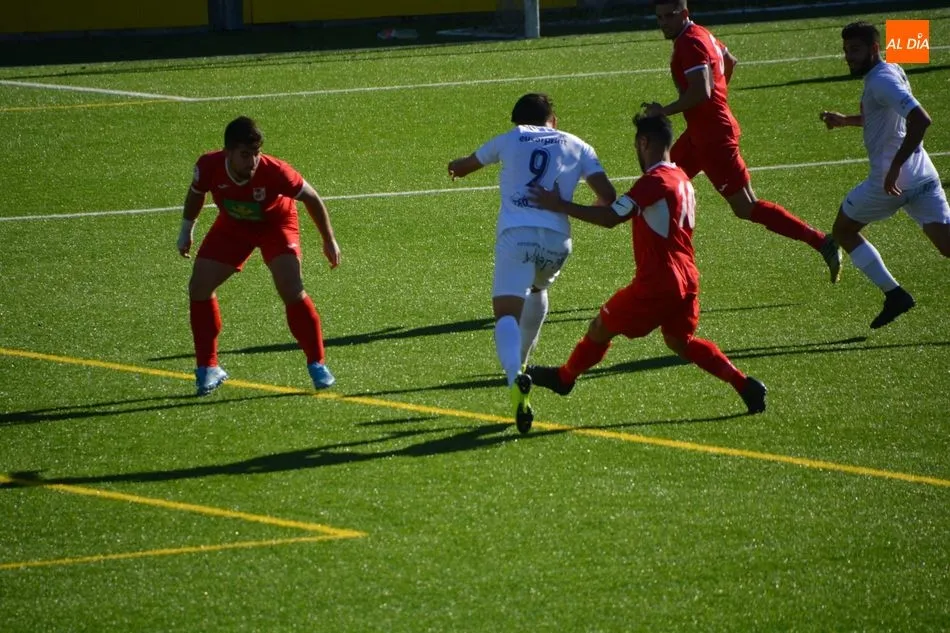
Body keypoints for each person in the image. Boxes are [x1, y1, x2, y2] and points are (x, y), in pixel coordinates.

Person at [526, 113, 767, 416]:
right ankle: (744, 385)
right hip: (687, 277)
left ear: (644, 142)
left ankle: (564, 378)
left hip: (659, 280)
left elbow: (612, 217)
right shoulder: (682, 179)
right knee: (681, 342)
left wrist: (560, 205)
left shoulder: (655, 181)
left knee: (600, 326)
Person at [447, 93, 617, 433]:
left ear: (518, 120)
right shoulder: (578, 145)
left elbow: (465, 166)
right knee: (538, 287)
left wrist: (454, 166)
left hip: (517, 236)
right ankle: (523, 365)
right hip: (557, 241)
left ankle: (514, 379)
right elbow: (608, 198)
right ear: (552, 119)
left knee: (506, 314)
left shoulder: (510, 138)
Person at [644, 0, 842, 283]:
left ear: (684, 13)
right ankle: (663, 267)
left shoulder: (690, 43)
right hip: (702, 132)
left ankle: (821, 241)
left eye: (669, 16)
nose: (663, 22)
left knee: (746, 206)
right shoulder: (700, 34)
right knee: (661, 186)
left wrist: (663, 111)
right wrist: (716, 102)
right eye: (659, 17)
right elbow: (729, 60)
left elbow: (702, 91)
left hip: (714, 139)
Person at [177, 116, 341, 396]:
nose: (252, 161)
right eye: (244, 155)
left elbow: (312, 197)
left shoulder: (276, 171)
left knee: (291, 287)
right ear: (227, 152)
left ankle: (317, 364)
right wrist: (186, 230)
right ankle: (208, 367)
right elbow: (196, 193)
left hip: (275, 225)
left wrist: (329, 240)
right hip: (233, 226)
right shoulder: (208, 166)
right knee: (199, 287)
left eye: (255, 154)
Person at [820, 21, 950, 328]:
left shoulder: (880, 82)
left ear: (874, 48)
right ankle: (895, 296)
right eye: (846, 50)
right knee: (947, 246)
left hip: (889, 182)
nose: (848, 57)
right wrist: (845, 121)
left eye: (855, 50)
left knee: (843, 230)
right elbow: (884, 117)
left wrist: (894, 167)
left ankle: (894, 294)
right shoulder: (891, 71)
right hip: (923, 174)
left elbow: (921, 120)